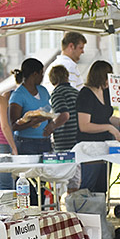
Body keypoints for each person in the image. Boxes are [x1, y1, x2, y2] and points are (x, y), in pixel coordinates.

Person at [76, 60, 120, 192]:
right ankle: (87, 211)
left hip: (105, 146)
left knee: (103, 186)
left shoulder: (106, 94)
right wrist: (109, 127)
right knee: (89, 185)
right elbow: (84, 125)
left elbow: (108, 117)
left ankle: (102, 210)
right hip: (90, 148)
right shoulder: (85, 94)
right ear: (100, 76)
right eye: (108, 75)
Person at [9, 58, 52, 205]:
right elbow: (14, 124)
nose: (43, 77)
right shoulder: (18, 95)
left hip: (44, 142)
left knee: (43, 182)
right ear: (35, 74)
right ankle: (32, 210)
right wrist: (33, 122)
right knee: (29, 184)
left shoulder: (44, 91)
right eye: (41, 73)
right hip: (26, 143)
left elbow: (49, 111)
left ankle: (41, 209)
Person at [43, 65, 81, 193]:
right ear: (67, 77)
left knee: (58, 184)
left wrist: (51, 127)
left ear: (53, 80)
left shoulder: (57, 93)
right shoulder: (76, 92)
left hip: (64, 142)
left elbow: (64, 114)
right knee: (74, 183)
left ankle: (57, 209)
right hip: (77, 141)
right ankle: (74, 209)